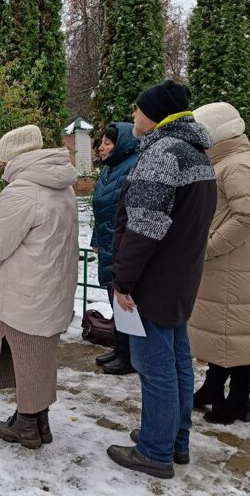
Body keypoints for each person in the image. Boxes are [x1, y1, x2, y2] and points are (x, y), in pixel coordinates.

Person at [106, 80, 216, 480]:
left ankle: (154, 450)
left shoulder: (163, 154)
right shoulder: (196, 153)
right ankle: (175, 440)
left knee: (156, 369)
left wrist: (124, 281)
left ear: (156, 115)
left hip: (153, 282)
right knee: (177, 363)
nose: (132, 115)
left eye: (137, 108)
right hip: (181, 279)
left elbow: (143, 227)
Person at [0, 125, 78, 450]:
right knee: (42, 357)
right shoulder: (60, 185)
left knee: (26, 357)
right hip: (52, 288)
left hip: (26, 291)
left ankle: (27, 424)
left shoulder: (22, 191)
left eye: (1, 162)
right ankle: (38, 420)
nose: (0, 169)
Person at [189, 102, 250, 425]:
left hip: (232, 264)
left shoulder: (237, 165)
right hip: (225, 264)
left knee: (235, 334)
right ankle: (213, 386)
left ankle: (238, 400)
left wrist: (209, 247)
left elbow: (248, 217)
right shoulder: (226, 162)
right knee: (222, 331)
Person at [90, 122, 139, 375]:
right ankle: (120, 349)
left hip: (122, 245)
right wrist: (96, 241)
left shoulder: (132, 167)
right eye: (102, 142)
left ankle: (130, 356)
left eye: (107, 143)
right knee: (113, 298)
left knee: (125, 300)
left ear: (121, 146)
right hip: (108, 242)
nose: (101, 147)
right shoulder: (109, 170)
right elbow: (101, 212)